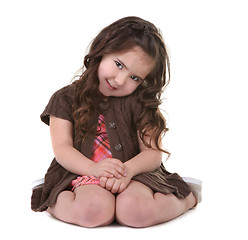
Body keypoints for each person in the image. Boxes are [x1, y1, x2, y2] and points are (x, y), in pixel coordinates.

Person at [31, 16, 202, 228]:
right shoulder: (65, 99)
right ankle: (50, 199)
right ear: (102, 50)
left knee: (134, 212)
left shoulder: (141, 103)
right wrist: (93, 169)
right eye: (119, 65)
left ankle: (187, 199)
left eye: (135, 78)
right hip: (83, 172)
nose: (120, 80)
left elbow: (152, 153)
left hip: (135, 174)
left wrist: (127, 170)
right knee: (93, 211)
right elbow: (63, 149)